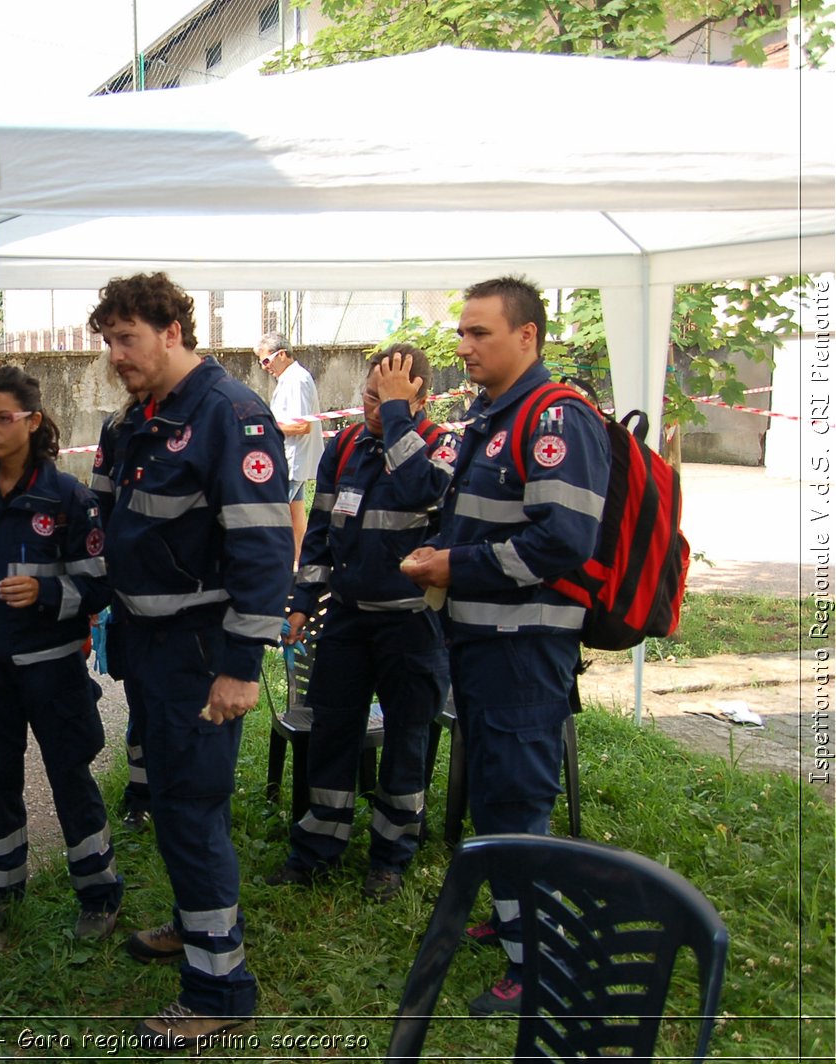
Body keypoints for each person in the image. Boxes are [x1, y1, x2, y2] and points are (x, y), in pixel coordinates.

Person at [88, 273, 294, 1050]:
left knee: (191, 810)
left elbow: (264, 548)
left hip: (203, 654)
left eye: (128, 339)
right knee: (173, 800)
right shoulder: (134, 421)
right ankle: (193, 925)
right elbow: (107, 530)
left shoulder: (230, 415)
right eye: (108, 341)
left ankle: (220, 988)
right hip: (148, 648)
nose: (116, 355)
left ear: (174, 330)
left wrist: (242, 665)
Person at [401, 277, 610, 1016]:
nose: (463, 347)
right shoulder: (494, 415)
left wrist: (455, 566)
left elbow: (562, 540)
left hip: (525, 648)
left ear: (528, 337)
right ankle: (518, 920)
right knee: (494, 789)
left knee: (519, 798)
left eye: (479, 333)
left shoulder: (557, 417)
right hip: (483, 642)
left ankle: (543, 967)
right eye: (460, 333)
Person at [272, 346, 454, 901]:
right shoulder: (347, 444)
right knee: (333, 732)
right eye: (369, 395)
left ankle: (391, 856)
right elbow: (322, 528)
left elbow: (425, 488)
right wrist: (304, 597)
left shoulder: (445, 444)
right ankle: (318, 848)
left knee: (407, 739)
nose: (372, 406)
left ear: (418, 394)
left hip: (413, 627)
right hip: (348, 621)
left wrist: (398, 418)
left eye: (387, 397)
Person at [0, 366, 124, 941]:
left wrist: (46, 593)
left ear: (32, 421)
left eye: (2, 418)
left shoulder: (68, 500)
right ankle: (0, 890)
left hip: (51, 673)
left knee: (70, 778)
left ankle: (99, 895)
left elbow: (101, 586)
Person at [90, 392, 152, 832]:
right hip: (131, 606)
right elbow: (99, 515)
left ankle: (186, 800)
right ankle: (141, 797)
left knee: (188, 713)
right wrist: (95, 600)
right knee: (142, 705)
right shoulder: (116, 427)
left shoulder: (209, 420)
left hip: (193, 614)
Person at [256, 333, 323, 560]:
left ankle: (276, 563)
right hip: (291, 459)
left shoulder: (296, 380)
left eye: (266, 361)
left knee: (275, 516)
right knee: (295, 516)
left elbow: (301, 426)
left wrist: (267, 427)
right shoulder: (290, 378)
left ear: (282, 355)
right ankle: (299, 562)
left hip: (291, 460)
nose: (264, 367)